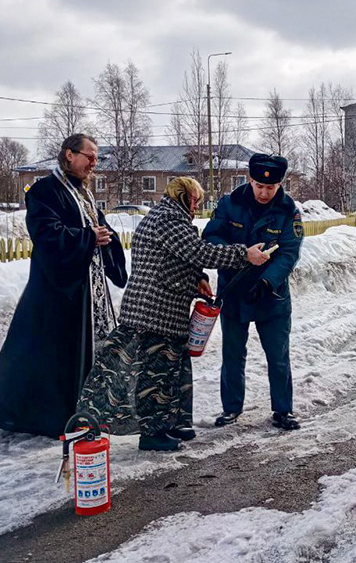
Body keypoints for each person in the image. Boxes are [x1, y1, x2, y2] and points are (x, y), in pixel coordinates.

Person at [78, 177, 269, 451]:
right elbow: (198, 252)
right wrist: (244, 255)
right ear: (186, 197)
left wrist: (198, 279)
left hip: (162, 309)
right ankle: (152, 434)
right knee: (155, 375)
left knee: (173, 369)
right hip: (154, 311)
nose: (197, 207)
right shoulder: (168, 220)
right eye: (196, 201)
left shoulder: (168, 217)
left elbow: (179, 259)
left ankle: (175, 423)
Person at [0, 134, 127, 438]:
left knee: (87, 351)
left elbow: (98, 226)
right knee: (48, 354)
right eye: (89, 156)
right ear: (69, 155)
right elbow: (46, 233)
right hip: (56, 290)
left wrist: (105, 238)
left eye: (97, 158)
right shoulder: (45, 190)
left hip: (86, 289)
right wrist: (87, 237)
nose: (93, 164)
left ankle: (84, 411)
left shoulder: (85, 193)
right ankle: (46, 416)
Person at [202, 153, 304, 430]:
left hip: (271, 296)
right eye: (259, 186)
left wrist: (267, 282)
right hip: (234, 291)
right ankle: (231, 408)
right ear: (250, 180)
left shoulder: (287, 211)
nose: (264, 192)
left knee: (278, 355)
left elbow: (289, 253)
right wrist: (241, 256)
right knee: (233, 354)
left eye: (270, 187)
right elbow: (210, 239)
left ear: (280, 184)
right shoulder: (230, 204)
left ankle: (283, 410)